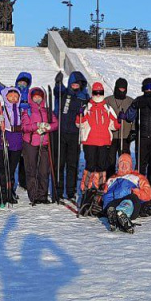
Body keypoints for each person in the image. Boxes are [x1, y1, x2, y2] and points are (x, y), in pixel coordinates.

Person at [52, 71, 89, 203]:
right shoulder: (63, 93)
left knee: (72, 164)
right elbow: (57, 91)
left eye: (77, 83)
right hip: (61, 133)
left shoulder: (84, 97)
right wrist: (58, 83)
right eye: (73, 83)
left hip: (75, 134)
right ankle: (58, 190)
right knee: (59, 163)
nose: (75, 85)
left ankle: (71, 191)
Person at [78, 81, 120, 194]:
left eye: (100, 92)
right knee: (90, 165)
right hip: (90, 141)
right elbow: (79, 124)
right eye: (95, 92)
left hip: (104, 141)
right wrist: (80, 114)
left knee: (102, 166)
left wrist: (119, 121)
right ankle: (86, 188)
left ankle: (100, 188)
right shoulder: (87, 106)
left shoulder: (107, 107)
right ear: (92, 93)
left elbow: (114, 126)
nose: (97, 95)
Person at [21, 87, 58, 204]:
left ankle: (43, 195)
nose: (37, 98)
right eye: (35, 96)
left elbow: (55, 123)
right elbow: (24, 127)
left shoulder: (47, 111)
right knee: (31, 169)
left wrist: (48, 127)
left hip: (44, 143)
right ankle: (34, 195)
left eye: (39, 96)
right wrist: (37, 126)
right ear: (31, 97)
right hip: (31, 143)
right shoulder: (27, 111)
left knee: (43, 170)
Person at [101, 153, 151, 233]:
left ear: (131, 165)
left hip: (131, 203)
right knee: (111, 205)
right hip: (112, 203)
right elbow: (104, 194)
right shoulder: (111, 179)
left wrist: (135, 191)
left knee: (131, 198)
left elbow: (148, 194)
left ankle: (121, 214)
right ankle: (113, 216)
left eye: (127, 164)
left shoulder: (138, 177)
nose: (124, 166)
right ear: (118, 165)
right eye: (122, 163)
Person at [0, 86, 25, 207]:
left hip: (16, 142)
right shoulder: (0, 109)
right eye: (10, 96)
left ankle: (10, 192)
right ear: (6, 97)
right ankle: (3, 193)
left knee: (11, 169)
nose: (13, 98)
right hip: (3, 140)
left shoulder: (21, 110)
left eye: (16, 96)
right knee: (2, 169)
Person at [105, 77, 134, 177]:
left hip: (125, 135)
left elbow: (134, 116)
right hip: (111, 136)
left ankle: (124, 178)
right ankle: (109, 179)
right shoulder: (108, 100)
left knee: (124, 160)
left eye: (123, 89)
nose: (121, 91)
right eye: (120, 89)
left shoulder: (130, 101)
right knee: (110, 160)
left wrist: (133, 131)